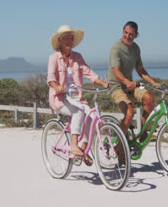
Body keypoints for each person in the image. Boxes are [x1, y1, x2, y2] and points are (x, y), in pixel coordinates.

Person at [47, 25, 109, 166]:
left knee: (92, 118)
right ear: (60, 41)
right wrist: (56, 86)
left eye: (71, 38)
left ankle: (83, 148)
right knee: (79, 112)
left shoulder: (77, 57)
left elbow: (88, 72)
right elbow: (50, 77)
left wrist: (103, 83)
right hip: (60, 98)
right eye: (66, 38)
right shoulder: (53, 58)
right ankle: (74, 145)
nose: (69, 41)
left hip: (76, 98)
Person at [106, 21, 161, 145]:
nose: (127, 36)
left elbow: (140, 70)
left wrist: (153, 83)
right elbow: (116, 71)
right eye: (126, 32)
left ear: (136, 35)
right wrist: (127, 81)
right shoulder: (116, 48)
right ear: (122, 31)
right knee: (129, 112)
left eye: (131, 34)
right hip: (116, 86)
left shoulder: (136, 48)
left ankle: (142, 131)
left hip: (129, 85)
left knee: (149, 99)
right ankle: (120, 147)